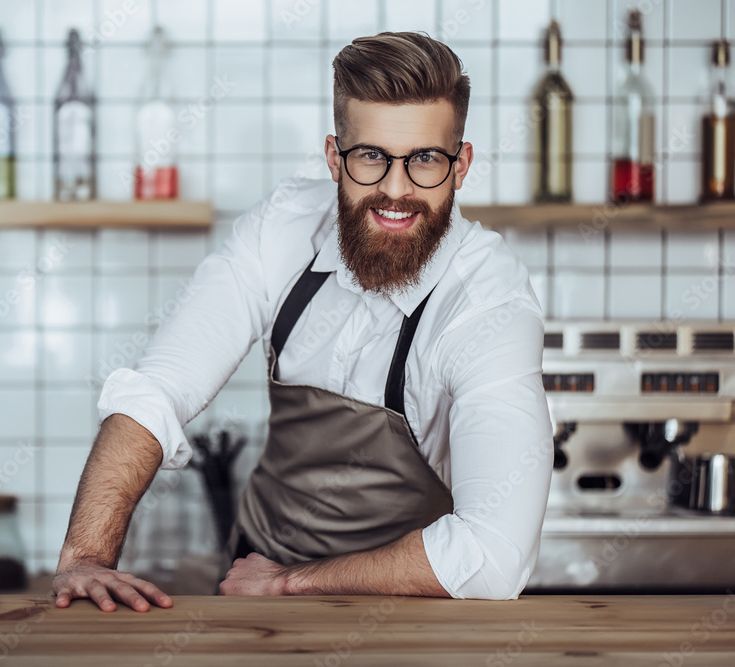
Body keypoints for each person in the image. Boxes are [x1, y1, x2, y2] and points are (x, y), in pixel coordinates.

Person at [52, 32, 553, 611]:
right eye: (370, 157)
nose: (396, 189)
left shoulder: (489, 306)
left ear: (460, 165)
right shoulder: (284, 227)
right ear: (333, 156)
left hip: (411, 613)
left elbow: (493, 556)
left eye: (425, 160)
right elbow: (155, 391)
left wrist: (292, 580)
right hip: (251, 582)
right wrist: (86, 557)